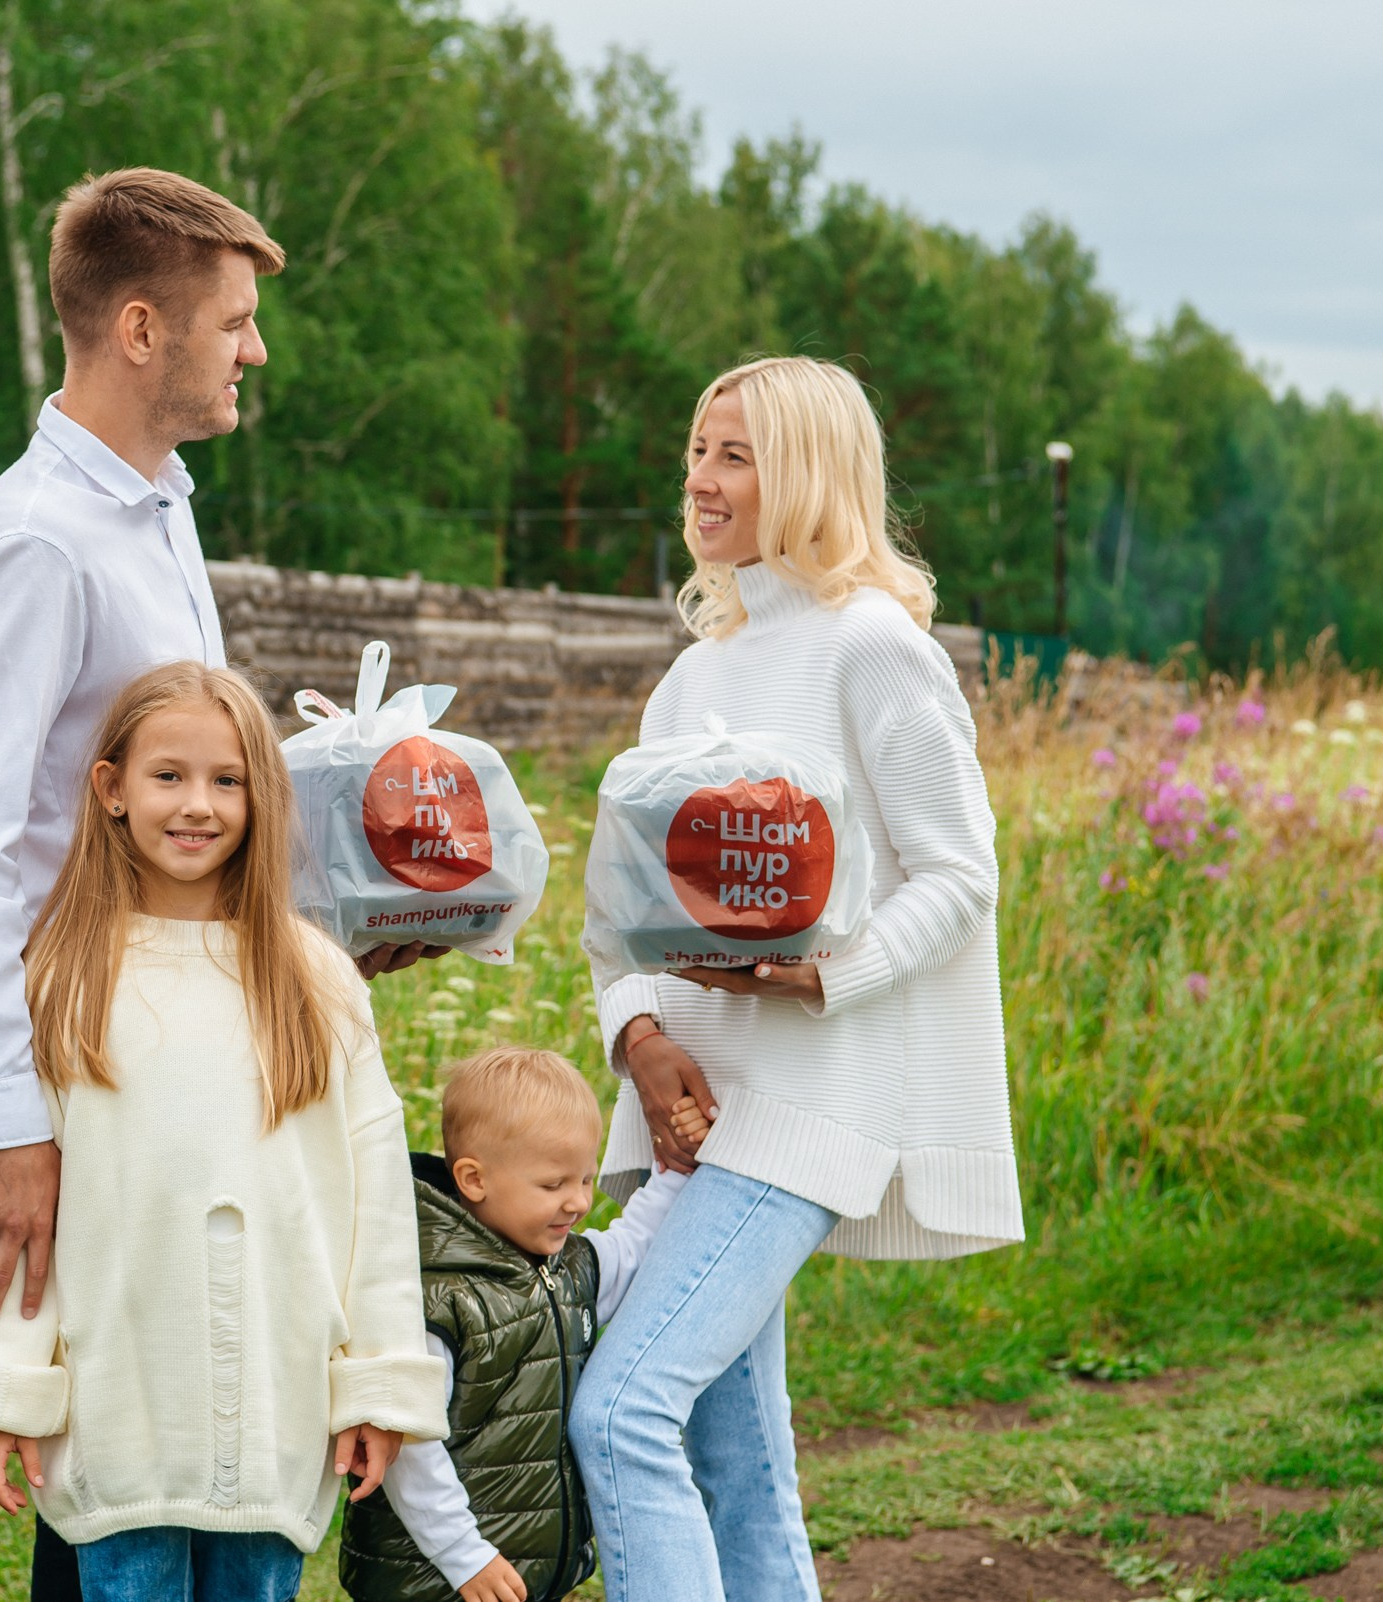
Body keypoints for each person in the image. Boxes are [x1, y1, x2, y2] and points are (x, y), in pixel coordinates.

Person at [574, 355, 1023, 1602]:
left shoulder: (873, 648)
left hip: (812, 1105)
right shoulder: (693, 676)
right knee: (738, 1456)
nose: (701, 481)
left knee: (620, 1413)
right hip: (696, 1108)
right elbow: (620, 916)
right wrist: (639, 1043)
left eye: (735, 455)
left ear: (810, 472)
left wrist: (828, 975)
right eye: (696, 455)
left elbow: (958, 871)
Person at [0, 661, 448, 1602]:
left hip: (276, 1412)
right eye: (168, 775)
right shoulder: (55, 981)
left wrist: (377, 1377)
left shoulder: (315, 981)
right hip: (115, 1415)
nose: (197, 805)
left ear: (264, 795)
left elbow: (372, 1204)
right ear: (111, 789)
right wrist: (1, 1384)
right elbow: (3, 1219)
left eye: (227, 780)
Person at [339, 1049, 703, 1602]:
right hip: (436, 1577)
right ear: (474, 1179)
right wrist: (464, 1556)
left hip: (518, 1573)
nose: (579, 1201)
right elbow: (407, 1443)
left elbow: (636, 1247)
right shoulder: (439, 1299)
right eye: (554, 1184)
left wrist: (680, 1168)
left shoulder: (567, 1269)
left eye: (584, 1177)